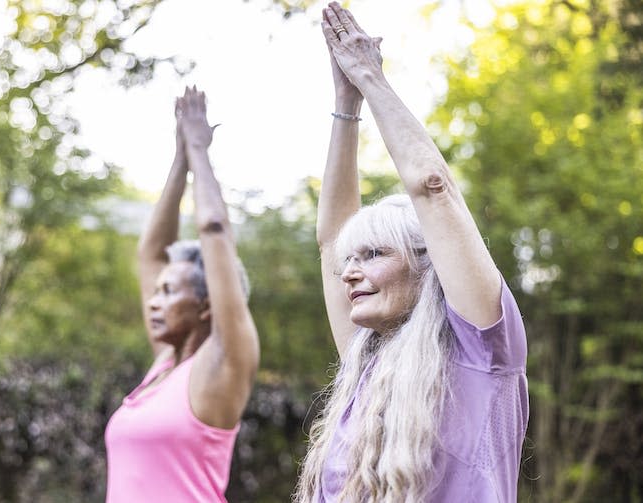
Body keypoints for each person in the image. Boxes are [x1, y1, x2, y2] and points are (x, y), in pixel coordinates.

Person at [294, 3, 528, 502]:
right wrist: (345, 104)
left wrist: (371, 80)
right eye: (350, 262)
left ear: (428, 266)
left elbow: (433, 188)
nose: (349, 273)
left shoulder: (481, 353)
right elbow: (331, 241)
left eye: (373, 253)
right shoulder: (369, 358)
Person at [104, 86, 260, 502]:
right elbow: (151, 254)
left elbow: (214, 230)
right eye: (157, 292)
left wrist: (198, 148)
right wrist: (178, 161)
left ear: (208, 306)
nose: (153, 301)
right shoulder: (165, 364)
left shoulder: (223, 363)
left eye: (169, 292)